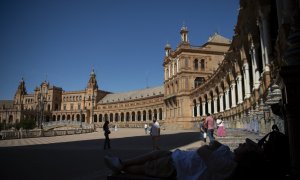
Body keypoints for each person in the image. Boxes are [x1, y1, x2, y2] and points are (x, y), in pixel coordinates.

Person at [104, 139, 265, 180]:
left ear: (246, 155)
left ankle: (121, 168)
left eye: (244, 145)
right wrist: (213, 146)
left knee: (147, 168)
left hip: (178, 168)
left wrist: (210, 147)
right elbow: (210, 147)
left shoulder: (228, 165)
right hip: (178, 157)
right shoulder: (228, 155)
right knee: (153, 155)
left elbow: (203, 149)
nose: (241, 143)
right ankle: (122, 162)